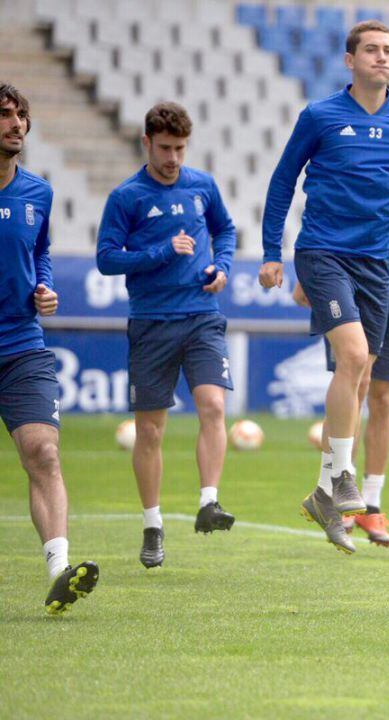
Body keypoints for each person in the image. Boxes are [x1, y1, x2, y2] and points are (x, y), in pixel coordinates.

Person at [260, 20, 389, 554]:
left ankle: (325, 493)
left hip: (375, 263)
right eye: (371, 49)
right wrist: (273, 253)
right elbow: (282, 181)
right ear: (350, 60)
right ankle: (343, 476)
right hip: (322, 251)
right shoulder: (320, 115)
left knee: (363, 371)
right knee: (355, 355)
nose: (382, 57)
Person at [96, 102, 237, 569]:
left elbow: (226, 230)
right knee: (151, 432)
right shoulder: (127, 197)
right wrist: (160, 250)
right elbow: (107, 258)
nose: (173, 158)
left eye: (180, 148)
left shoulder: (203, 185)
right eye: (165, 148)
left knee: (214, 405)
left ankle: (208, 502)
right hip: (152, 321)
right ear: (146, 143)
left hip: (201, 315)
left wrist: (222, 268)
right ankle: (153, 524)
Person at [293, 80, 389, 547]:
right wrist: (303, 275)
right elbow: (326, 212)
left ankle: (367, 500)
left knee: (382, 395)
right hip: (342, 281)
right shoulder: (354, 164)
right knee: (354, 376)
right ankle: (336, 486)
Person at [0, 83, 99, 613]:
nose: (16, 125)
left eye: (21, 116)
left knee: (44, 452)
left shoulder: (38, 192)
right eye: (5, 116)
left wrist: (44, 285)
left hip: (20, 343)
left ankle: (61, 572)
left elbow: (40, 253)